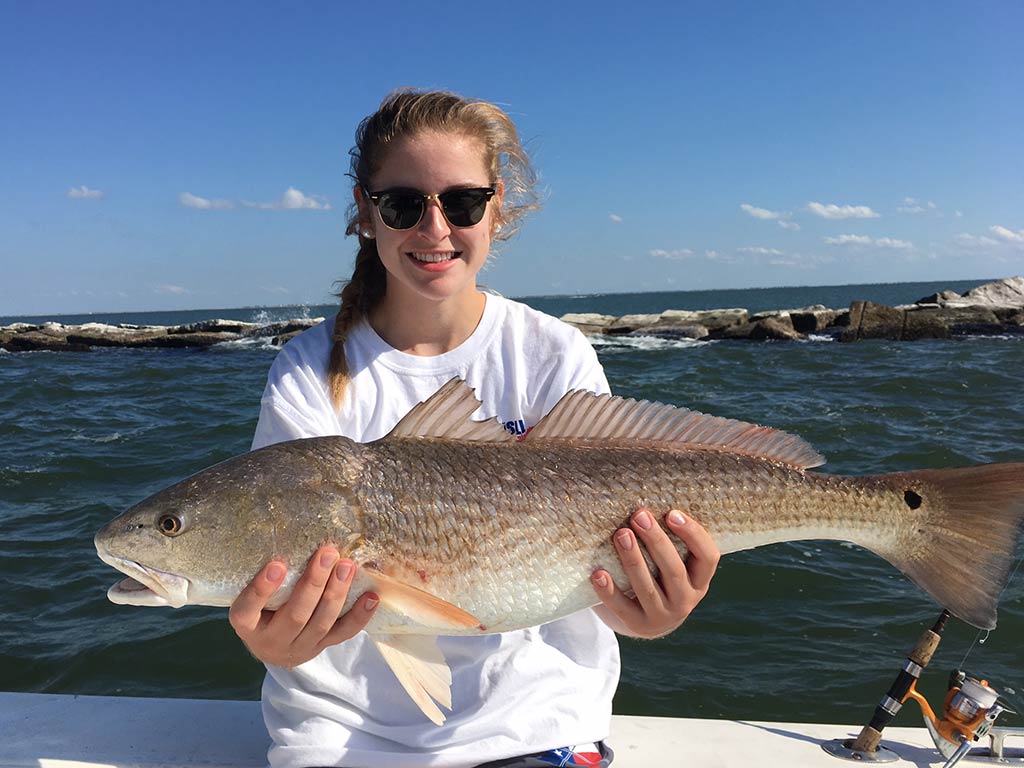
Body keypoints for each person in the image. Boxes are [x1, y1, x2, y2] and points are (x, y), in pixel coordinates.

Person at [228, 89, 720, 768]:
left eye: (461, 203)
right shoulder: (306, 372)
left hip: (537, 725)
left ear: (497, 210)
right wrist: (272, 641)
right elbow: (285, 572)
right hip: (341, 737)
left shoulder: (554, 353)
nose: (435, 229)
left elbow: (603, 559)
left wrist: (653, 609)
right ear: (367, 215)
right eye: (404, 204)